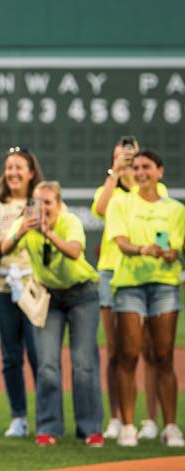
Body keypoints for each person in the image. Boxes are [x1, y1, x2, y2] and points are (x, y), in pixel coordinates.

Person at [1, 181, 103, 447]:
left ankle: (91, 429)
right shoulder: (27, 224)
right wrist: (23, 228)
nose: (42, 207)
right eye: (37, 202)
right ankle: (48, 427)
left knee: (83, 364)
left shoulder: (68, 221)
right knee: (47, 364)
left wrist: (48, 233)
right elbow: (4, 249)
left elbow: (74, 251)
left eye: (48, 202)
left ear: (58, 204)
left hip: (82, 294)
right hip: (50, 297)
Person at [108, 149, 185, 448]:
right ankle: (128, 425)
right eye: (136, 167)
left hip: (164, 283)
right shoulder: (121, 203)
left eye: (147, 167)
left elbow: (176, 246)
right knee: (128, 354)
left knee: (164, 356)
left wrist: (169, 252)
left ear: (160, 171)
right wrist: (143, 250)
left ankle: (170, 426)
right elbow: (122, 242)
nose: (140, 172)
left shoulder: (176, 209)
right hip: (130, 284)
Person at [91, 138, 165, 441]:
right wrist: (115, 174)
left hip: (147, 272)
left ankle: (150, 418)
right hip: (112, 272)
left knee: (150, 349)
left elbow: (162, 227)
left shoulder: (150, 192)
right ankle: (118, 417)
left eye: (133, 158)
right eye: (123, 157)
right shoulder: (109, 191)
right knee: (117, 351)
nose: (130, 164)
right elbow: (101, 208)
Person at [0, 148, 42, 439]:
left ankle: (46, 415)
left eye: (19, 167)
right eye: (9, 168)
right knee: (11, 356)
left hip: (33, 286)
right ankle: (19, 416)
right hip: (1, 286)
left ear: (31, 172)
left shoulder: (38, 202)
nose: (13, 173)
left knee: (40, 353)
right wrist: (4, 241)